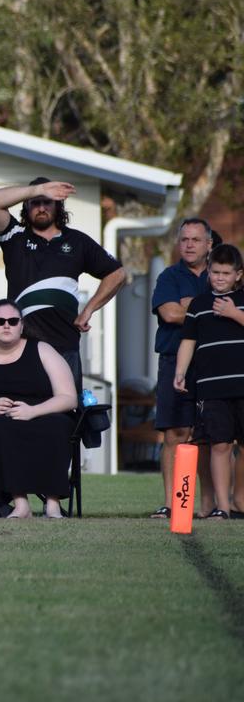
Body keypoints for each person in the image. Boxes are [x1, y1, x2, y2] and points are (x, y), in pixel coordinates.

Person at [0, 178, 126, 391]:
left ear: (58, 206)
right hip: (21, 347)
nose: (41, 208)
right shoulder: (14, 237)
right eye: (35, 202)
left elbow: (117, 274)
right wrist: (38, 189)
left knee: (67, 416)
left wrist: (88, 310)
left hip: (65, 346)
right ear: (26, 206)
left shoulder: (78, 241)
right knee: (20, 413)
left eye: (47, 202)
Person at [0, 299, 78, 518]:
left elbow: (68, 398)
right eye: (0, 321)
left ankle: (53, 503)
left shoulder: (42, 350)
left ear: (21, 325)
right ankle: (20, 503)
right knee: (1, 427)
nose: (6, 325)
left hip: (45, 412)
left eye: (12, 321)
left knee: (58, 425)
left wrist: (32, 411)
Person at [174, 243, 244, 519]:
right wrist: (180, 371)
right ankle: (222, 507)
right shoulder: (199, 304)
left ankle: (239, 499)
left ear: (238, 274)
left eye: (226, 273)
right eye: (215, 272)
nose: (220, 278)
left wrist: (234, 314)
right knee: (219, 444)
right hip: (212, 387)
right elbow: (188, 341)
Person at [150, 218, 214, 518]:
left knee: (211, 435)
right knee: (175, 432)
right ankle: (171, 505)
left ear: (209, 244)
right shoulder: (169, 276)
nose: (189, 245)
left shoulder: (221, 273)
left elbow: (230, 310)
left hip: (214, 362)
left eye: (196, 240)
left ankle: (209, 506)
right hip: (174, 359)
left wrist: (191, 303)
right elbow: (170, 313)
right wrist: (206, 306)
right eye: (184, 239)